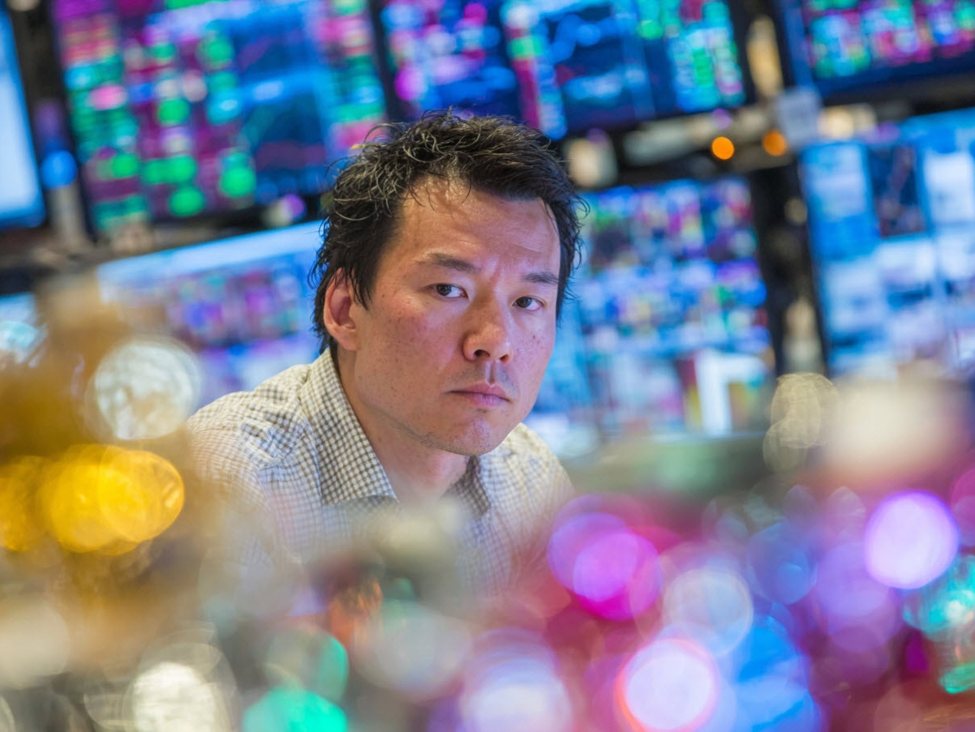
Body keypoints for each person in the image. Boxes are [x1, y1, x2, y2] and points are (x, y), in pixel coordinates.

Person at [186, 112, 584, 592]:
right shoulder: (227, 482)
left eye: (527, 302)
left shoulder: (531, 481)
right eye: (448, 289)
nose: (495, 341)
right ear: (345, 309)